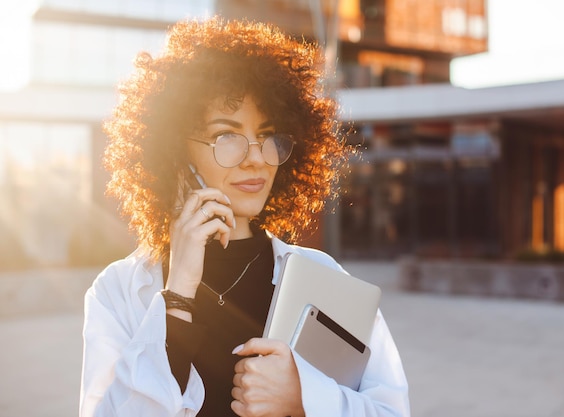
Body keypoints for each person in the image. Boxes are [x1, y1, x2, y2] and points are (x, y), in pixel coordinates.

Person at [80, 17, 410, 417]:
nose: (257, 158)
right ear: (175, 150)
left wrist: (303, 396)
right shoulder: (119, 290)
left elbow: (390, 410)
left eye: (270, 136)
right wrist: (179, 293)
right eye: (227, 136)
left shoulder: (324, 278)